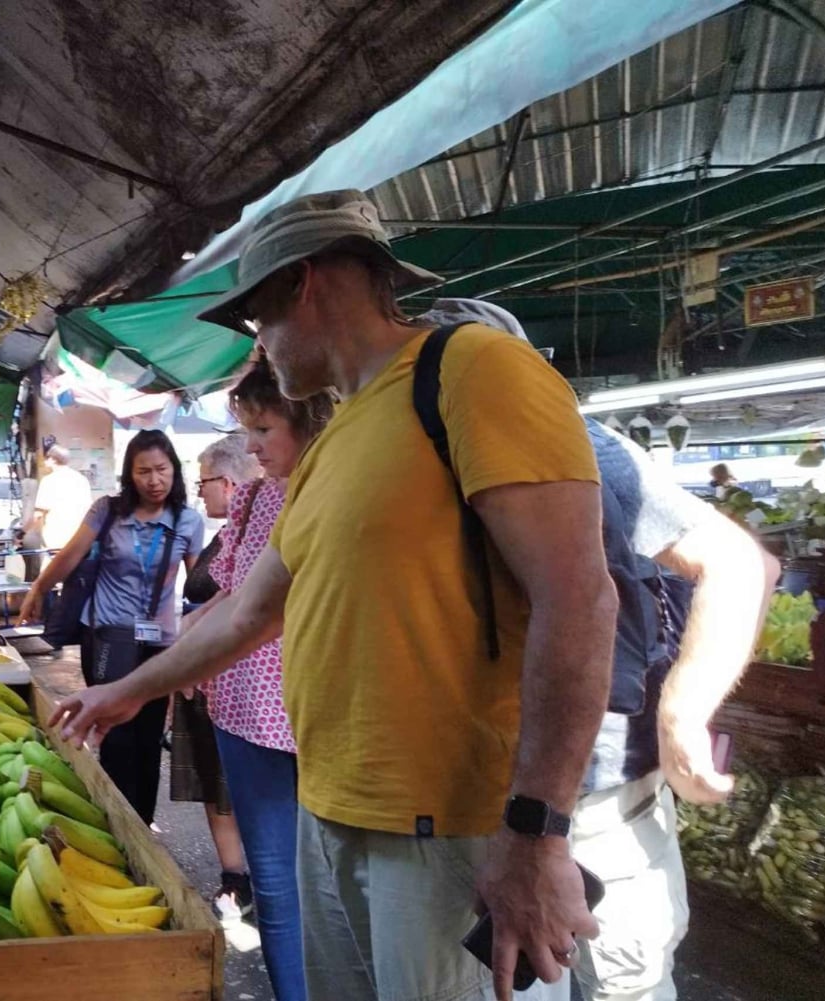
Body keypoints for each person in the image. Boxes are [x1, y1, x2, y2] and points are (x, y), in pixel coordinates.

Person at [53, 188, 618, 1001]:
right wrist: (127, 692)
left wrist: (538, 830)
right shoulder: (336, 439)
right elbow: (250, 612)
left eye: (258, 318)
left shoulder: (472, 370)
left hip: (450, 829)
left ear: (304, 283)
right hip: (331, 811)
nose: (260, 343)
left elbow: (579, 598)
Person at [417, 297, 780, 1001]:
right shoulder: (425, 459)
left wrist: (681, 715)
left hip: (601, 796)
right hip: (488, 792)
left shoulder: (581, 445)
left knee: (621, 982)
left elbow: (739, 562)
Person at [186, 356, 332, 1001]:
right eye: (248, 430)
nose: (251, 447)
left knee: (340, 884)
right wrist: (189, 639)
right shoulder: (257, 497)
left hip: (329, 714)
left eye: (264, 429)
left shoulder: (345, 491)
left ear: (312, 419)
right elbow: (235, 596)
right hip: (249, 713)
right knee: (276, 881)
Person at [19, 430, 206, 824]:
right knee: (116, 733)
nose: (154, 480)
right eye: (143, 471)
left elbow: (198, 583)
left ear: (174, 470)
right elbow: (71, 555)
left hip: (160, 641)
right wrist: (38, 588)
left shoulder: (188, 521)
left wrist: (206, 634)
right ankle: (117, 821)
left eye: (161, 470)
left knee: (148, 736)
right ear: (129, 475)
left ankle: (142, 822)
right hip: (107, 635)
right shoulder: (107, 511)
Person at [174, 433, 256, 922]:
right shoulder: (228, 533)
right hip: (203, 678)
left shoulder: (256, 533)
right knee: (212, 780)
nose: (199, 492)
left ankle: (254, 880)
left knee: (236, 785)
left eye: (202, 482)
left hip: (233, 685)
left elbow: (238, 603)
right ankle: (235, 877)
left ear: (227, 483)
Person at [26, 445, 94, 552]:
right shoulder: (81, 479)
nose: (44, 461)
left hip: (58, 538)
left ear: (53, 460)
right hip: (80, 537)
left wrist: (22, 532)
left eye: (46, 458)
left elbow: (38, 514)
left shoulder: (49, 481)